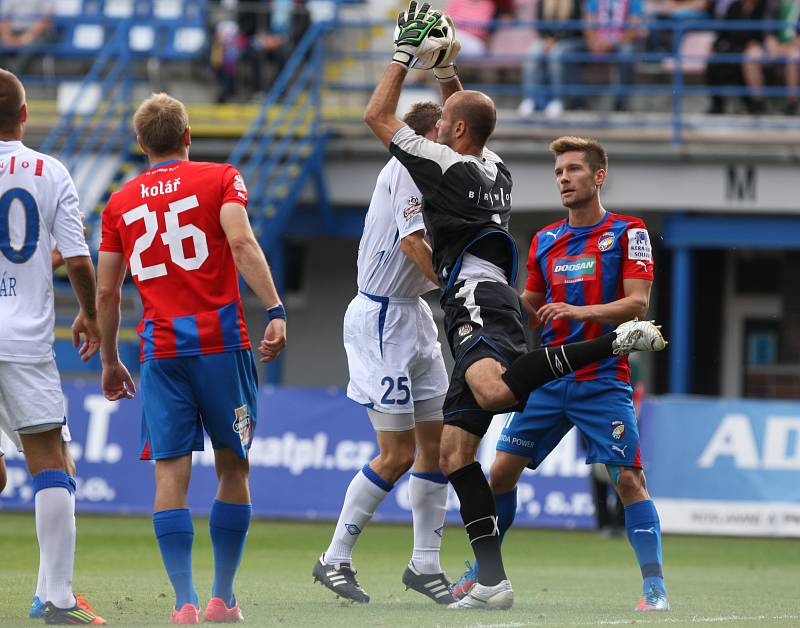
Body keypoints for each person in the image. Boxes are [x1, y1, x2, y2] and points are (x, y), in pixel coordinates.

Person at [364, 2, 667, 610]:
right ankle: (492, 578)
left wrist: (404, 53)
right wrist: (445, 67)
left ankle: (613, 343)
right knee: (457, 456)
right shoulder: (495, 166)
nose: (438, 126)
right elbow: (468, 115)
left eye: (444, 121)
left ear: (452, 133)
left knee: (499, 394)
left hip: (476, 294)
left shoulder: (444, 166)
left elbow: (377, 114)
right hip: (481, 300)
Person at [450, 136, 670, 613]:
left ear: (599, 176)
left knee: (629, 480)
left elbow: (638, 304)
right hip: (547, 381)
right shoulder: (546, 241)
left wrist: (576, 309)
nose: (564, 178)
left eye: (573, 169)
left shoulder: (630, 231)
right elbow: (528, 309)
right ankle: (484, 570)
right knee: (500, 474)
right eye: (558, 172)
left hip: (603, 379)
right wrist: (488, 303)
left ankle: (654, 588)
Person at [96, 93, 287, 625]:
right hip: (222, 346)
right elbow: (242, 242)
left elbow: (107, 295)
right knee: (234, 466)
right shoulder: (221, 177)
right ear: (187, 137)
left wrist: (111, 360)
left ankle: (182, 603)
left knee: (169, 475)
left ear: (140, 145)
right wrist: (274, 308)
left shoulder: (119, 203)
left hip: (161, 351)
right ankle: (222, 599)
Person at [312, 102, 455, 606]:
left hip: (414, 317)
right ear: (423, 135)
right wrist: (454, 287)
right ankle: (335, 558)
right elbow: (414, 243)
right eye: (445, 131)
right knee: (397, 454)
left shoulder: (444, 171)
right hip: (380, 319)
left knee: (436, 448)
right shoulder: (409, 167)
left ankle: (425, 565)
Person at [0, 68, 106, 625]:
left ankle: (51, 594)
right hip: (21, 340)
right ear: (24, 115)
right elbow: (80, 257)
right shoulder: (49, 171)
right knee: (52, 463)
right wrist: (89, 314)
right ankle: (58, 600)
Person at [518, 0, 585, 118]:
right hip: (547, 40)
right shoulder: (543, 2)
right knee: (532, 53)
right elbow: (539, 24)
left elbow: (576, 27)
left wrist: (557, 39)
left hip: (569, 40)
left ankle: (558, 100)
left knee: (557, 54)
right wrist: (547, 39)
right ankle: (530, 99)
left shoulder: (575, 2)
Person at [584, 0, 647, 111]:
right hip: (597, 42)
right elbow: (588, 25)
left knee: (626, 53)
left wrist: (611, 43)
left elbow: (634, 29)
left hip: (621, 42)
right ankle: (573, 102)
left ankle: (621, 102)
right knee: (564, 52)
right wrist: (594, 41)